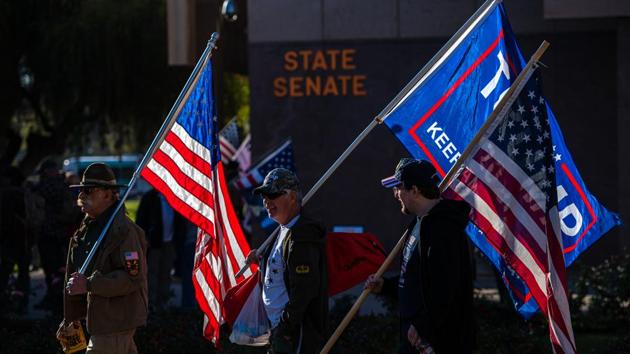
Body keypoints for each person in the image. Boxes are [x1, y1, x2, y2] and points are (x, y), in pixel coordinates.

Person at [365, 158, 474, 354]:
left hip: (435, 341)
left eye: (398, 188)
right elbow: (417, 280)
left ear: (415, 190)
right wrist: (386, 286)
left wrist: (423, 325)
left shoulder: (443, 229)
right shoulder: (419, 223)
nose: (395, 194)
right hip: (414, 336)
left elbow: (446, 287)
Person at [60, 162, 148, 353]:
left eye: (89, 190)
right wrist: (71, 317)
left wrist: (90, 285)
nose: (82, 195)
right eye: (81, 190)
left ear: (108, 194)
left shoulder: (123, 231)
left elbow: (132, 278)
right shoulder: (87, 228)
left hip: (113, 323)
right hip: (96, 323)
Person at [246, 168, 327, 354]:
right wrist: (262, 263)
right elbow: (283, 273)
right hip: (279, 332)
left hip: (296, 336)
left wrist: (285, 328)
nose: (266, 201)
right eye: (264, 196)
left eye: (273, 195)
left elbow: (305, 289)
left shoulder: (302, 235)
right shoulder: (283, 230)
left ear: (292, 197)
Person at [136, 187, 185, 310]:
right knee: (152, 273)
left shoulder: (174, 196)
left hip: (169, 243)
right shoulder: (149, 198)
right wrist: (145, 239)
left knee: (166, 273)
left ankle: (163, 301)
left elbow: (180, 220)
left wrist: (178, 240)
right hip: (154, 243)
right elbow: (141, 220)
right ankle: (150, 303)